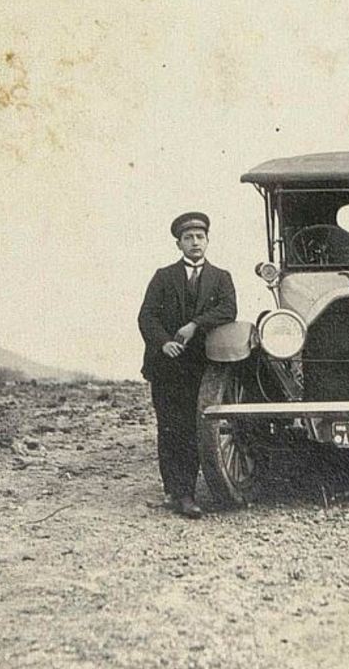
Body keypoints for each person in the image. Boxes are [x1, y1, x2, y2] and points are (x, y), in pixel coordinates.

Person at [137, 212, 237, 519]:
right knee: (169, 428)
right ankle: (174, 492)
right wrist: (163, 342)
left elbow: (229, 310)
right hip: (167, 366)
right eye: (189, 238)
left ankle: (188, 494)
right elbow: (147, 316)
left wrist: (195, 324)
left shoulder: (221, 278)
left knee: (195, 428)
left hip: (202, 368)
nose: (195, 243)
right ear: (179, 243)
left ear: (207, 241)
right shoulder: (163, 276)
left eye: (200, 237)